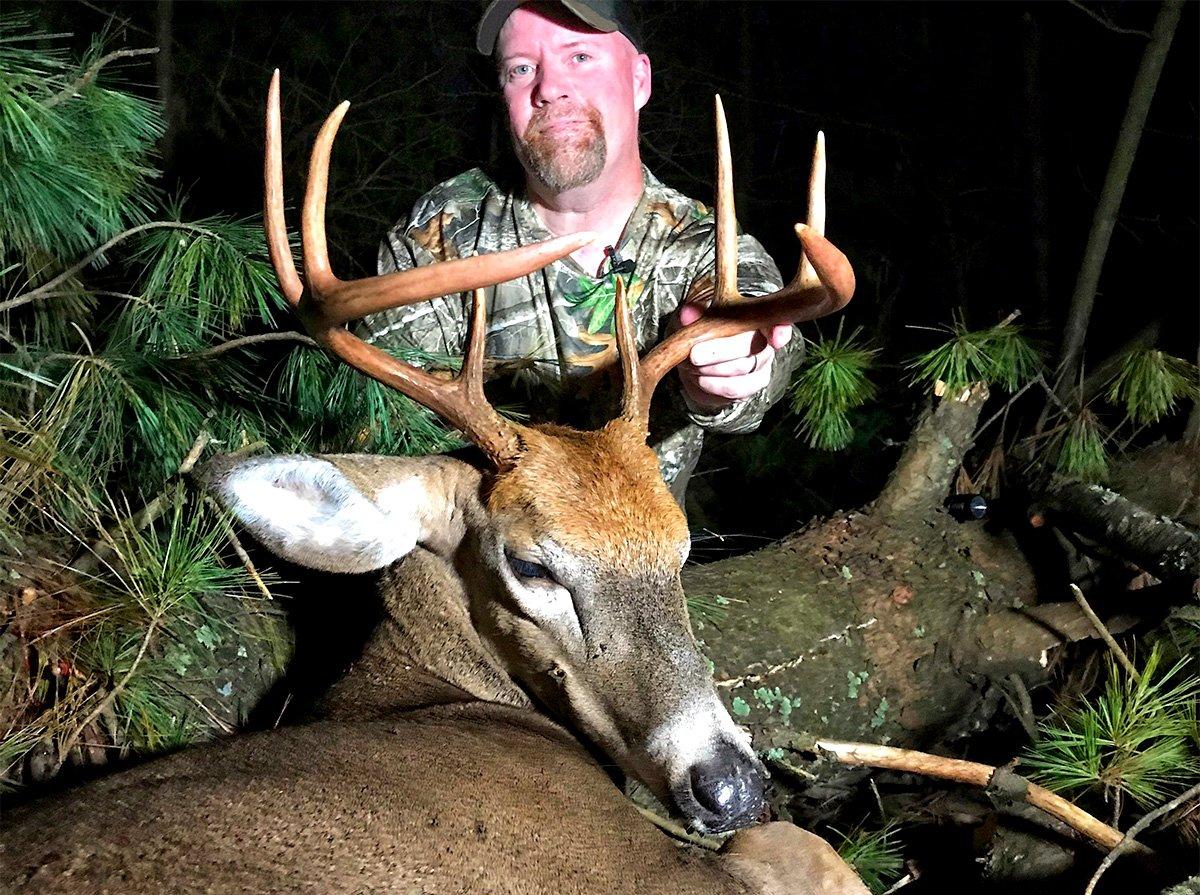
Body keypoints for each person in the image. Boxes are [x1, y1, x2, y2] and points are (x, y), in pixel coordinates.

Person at [360, 0, 802, 503]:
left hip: (633, 566)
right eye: (521, 68)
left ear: (639, 80)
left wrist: (736, 364)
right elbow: (383, 422)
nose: (548, 88)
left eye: (580, 57)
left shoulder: (701, 244)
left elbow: (756, 311)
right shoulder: (443, 231)